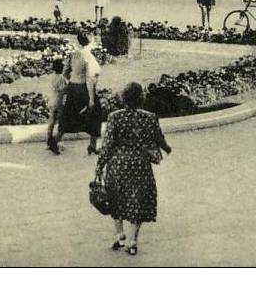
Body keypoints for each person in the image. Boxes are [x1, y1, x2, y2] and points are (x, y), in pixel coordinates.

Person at [95, 82, 172, 256]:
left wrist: (100, 165)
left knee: (116, 198)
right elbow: (159, 138)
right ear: (141, 99)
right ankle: (133, 241)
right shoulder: (149, 117)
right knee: (138, 201)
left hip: (117, 165)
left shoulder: (115, 117)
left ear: (123, 98)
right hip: (140, 165)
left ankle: (120, 234)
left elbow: (107, 146)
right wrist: (167, 148)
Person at [52, 30, 103, 154]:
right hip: (84, 89)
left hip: (73, 88)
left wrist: (71, 82)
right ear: (90, 40)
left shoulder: (74, 54)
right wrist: (91, 99)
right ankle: (92, 145)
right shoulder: (89, 57)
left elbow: (65, 72)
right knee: (96, 114)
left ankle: (55, 140)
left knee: (69, 115)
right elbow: (90, 78)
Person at [45, 64, 69, 155]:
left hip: (52, 100)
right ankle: (55, 142)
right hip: (59, 102)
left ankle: (48, 141)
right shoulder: (61, 78)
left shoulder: (52, 77)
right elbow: (63, 90)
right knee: (62, 124)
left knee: (51, 122)